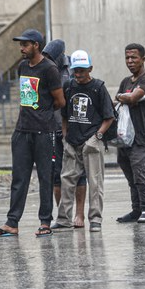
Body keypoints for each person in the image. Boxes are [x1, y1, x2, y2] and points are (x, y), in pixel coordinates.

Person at [0, 28, 65, 238]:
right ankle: (12, 222)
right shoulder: (23, 66)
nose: (21, 48)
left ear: (36, 45)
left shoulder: (50, 69)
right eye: (21, 45)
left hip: (44, 131)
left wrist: (44, 114)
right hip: (22, 130)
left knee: (45, 178)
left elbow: (60, 101)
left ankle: (45, 221)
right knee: (19, 178)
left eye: (25, 44)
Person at [51, 50, 114, 233]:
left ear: (90, 69)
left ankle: (95, 219)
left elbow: (109, 117)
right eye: (76, 70)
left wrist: (97, 137)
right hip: (72, 141)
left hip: (91, 141)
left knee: (95, 182)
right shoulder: (69, 86)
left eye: (82, 70)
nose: (78, 74)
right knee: (67, 180)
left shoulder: (98, 87)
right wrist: (65, 137)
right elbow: (64, 114)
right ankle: (64, 218)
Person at [44, 39, 88, 227]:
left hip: (75, 129)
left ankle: (80, 215)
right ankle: (63, 216)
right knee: (57, 174)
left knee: (79, 174)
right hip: (52, 127)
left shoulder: (74, 68)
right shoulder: (45, 68)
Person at [115, 43, 145, 224]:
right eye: (127, 58)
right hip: (125, 138)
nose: (130, 61)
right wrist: (122, 97)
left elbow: (132, 98)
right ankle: (136, 209)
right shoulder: (126, 81)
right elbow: (121, 99)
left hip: (140, 136)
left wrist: (123, 97)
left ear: (143, 59)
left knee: (139, 173)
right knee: (130, 176)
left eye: (134, 58)